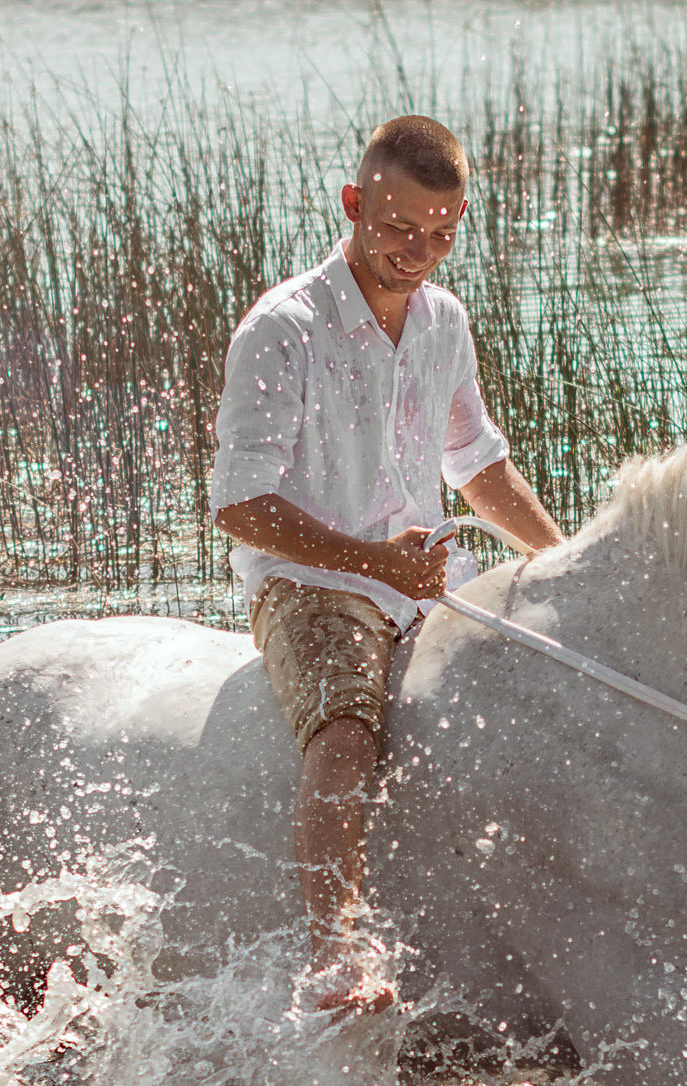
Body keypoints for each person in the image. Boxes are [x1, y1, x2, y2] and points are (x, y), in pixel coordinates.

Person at [208, 114, 564, 1019]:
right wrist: (372, 561)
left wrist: (561, 561)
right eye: (399, 227)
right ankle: (333, 961)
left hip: (425, 587)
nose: (420, 252)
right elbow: (240, 504)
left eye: (442, 234)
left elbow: (477, 466)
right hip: (313, 586)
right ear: (355, 203)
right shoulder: (284, 327)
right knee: (346, 736)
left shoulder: (444, 320)